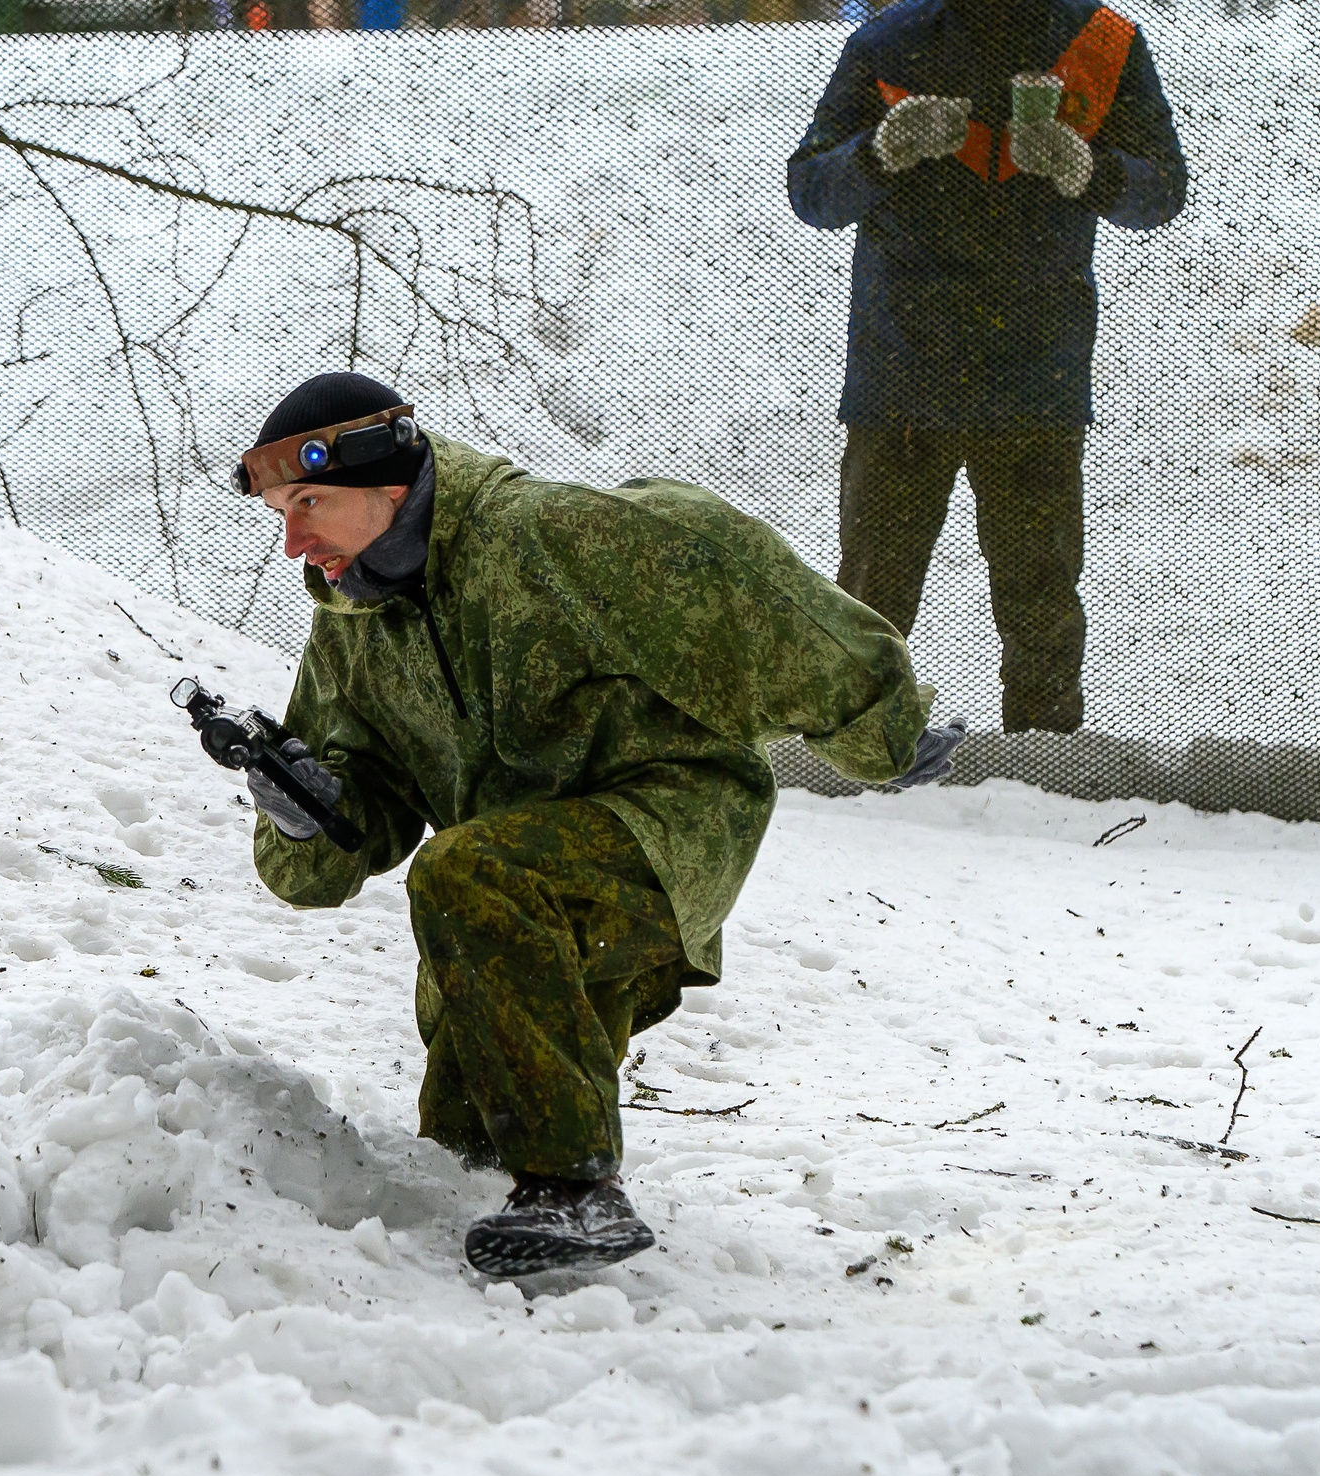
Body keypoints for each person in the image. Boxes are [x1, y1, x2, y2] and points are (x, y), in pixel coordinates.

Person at [225, 373, 963, 1276]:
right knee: (461, 1147)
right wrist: (309, 816)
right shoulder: (351, 627)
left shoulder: (547, 534)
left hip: (664, 822)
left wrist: (886, 728)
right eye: (280, 514)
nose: (295, 539)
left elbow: (732, 574)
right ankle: (525, 1288)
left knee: (467, 874)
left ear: (388, 483)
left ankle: (575, 1193)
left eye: (309, 502)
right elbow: (346, 829)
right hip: (519, 880)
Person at [787, 0, 1187, 734]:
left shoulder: (1104, 44)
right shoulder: (888, 43)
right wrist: (881, 152)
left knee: (1042, 606)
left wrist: (1093, 171)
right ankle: (853, 766)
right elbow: (811, 188)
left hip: (1034, 376)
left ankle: (1043, 776)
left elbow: (1164, 187)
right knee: (870, 607)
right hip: (904, 374)